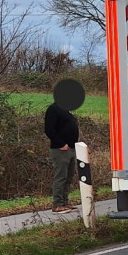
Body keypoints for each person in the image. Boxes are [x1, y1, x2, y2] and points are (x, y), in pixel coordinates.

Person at [44, 80, 83, 211]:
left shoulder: (66, 111)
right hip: (60, 149)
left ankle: (65, 202)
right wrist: (60, 144)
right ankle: (57, 204)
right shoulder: (53, 109)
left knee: (68, 177)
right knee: (60, 177)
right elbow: (49, 129)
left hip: (71, 148)